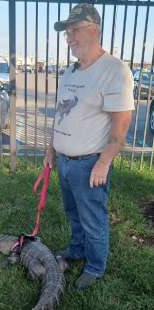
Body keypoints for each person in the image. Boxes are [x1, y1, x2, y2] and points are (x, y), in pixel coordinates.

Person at [44, 3, 134, 289]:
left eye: (74, 31)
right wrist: (51, 147)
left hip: (89, 164)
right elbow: (61, 113)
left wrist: (104, 162)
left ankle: (95, 267)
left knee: (93, 218)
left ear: (93, 29)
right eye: (67, 32)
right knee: (73, 212)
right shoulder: (71, 71)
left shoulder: (114, 71)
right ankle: (78, 249)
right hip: (65, 161)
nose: (68, 38)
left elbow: (120, 128)